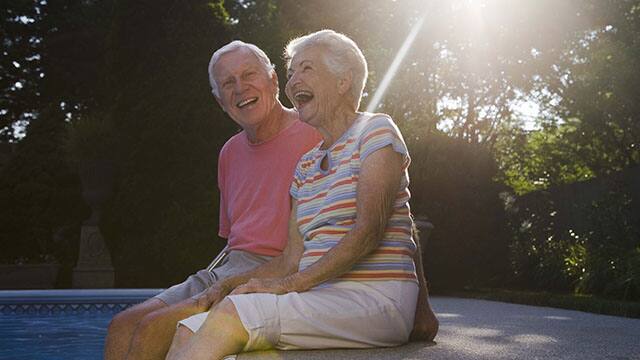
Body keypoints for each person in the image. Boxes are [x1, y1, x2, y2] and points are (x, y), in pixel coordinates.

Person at [165, 29, 439, 360]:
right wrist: (226, 285)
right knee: (190, 326)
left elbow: (368, 232)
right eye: (291, 71)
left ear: (342, 81)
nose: (293, 80)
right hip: (319, 296)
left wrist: (287, 285)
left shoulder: (376, 131)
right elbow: (290, 258)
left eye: (306, 68)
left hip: (374, 299)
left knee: (231, 317)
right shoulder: (306, 165)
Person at [103, 40, 321, 360]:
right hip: (230, 267)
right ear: (220, 100)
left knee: (153, 329)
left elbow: (380, 206)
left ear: (274, 80)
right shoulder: (229, 153)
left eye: (249, 74)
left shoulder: (315, 132)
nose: (240, 88)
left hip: (283, 269)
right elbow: (234, 240)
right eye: (227, 83)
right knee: (122, 326)